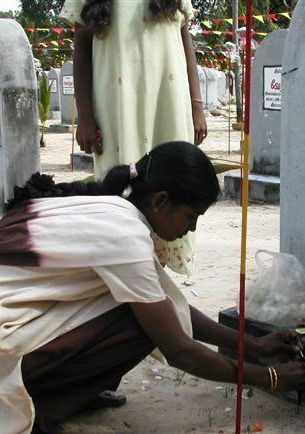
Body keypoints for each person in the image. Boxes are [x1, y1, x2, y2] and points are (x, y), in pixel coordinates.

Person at [0, 142, 305, 434]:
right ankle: (39, 409)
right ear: (161, 202)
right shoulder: (124, 236)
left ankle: (66, 390)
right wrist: (268, 377)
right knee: (141, 323)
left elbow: (171, 302)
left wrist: (253, 344)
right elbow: (178, 347)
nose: (191, 229)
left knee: (146, 307)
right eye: (191, 216)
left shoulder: (115, 212)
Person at [59, 0, 207, 276]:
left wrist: (197, 105)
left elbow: (186, 40)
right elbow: (81, 48)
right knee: (122, 189)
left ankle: (157, 278)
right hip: (117, 105)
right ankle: (128, 271)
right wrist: (86, 116)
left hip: (169, 101)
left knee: (172, 184)